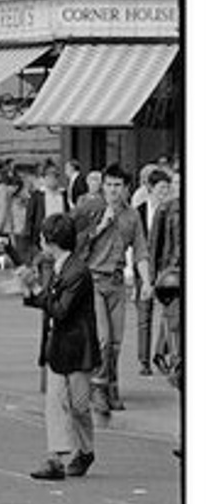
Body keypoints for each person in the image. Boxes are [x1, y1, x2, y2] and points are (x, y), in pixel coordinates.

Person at [20, 212, 100, 480]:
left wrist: (36, 291)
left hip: (78, 349)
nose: (41, 242)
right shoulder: (59, 267)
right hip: (58, 347)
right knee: (55, 403)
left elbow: (61, 309)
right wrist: (29, 290)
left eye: (43, 238)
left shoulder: (77, 271)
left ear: (51, 241)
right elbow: (48, 302)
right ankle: (55, 459)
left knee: (79, 407)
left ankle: (86, 451)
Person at [72, 164, 150, 414]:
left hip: (117, 283)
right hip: (92, 281)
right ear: (102, 186)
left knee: (116, 342)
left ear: (127, 188)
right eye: (109, 185)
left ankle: (111, 385)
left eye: (118, 185)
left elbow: (140, 251)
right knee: (103, 339)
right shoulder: (89, 209)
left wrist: (147, 282)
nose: (113, 190)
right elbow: (71, 240)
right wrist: (100, 227)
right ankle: (98, 387)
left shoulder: (132, 216)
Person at [131, 166, 171, 376]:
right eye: (161, 188)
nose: (165, 193)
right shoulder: (139, 211)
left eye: (167, 188)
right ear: (150, 188)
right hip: (144, 269)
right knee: (144, 316)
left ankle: (161, 353)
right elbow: (133, 244)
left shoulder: (173, 211)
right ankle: (143, 360)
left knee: (168, 315)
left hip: (167, 272)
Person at [148, 171, 181, 376]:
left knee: (173, 317)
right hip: (171, 272)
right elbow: (154, 246)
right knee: (174, 318)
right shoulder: (165, 209)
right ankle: (177, 362)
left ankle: (161, 352)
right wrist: (151, 278)